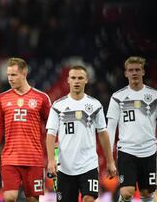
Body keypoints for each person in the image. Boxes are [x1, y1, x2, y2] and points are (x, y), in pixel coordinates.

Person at [46, 65, 117, 202]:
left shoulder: (95, 105)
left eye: (80, 78)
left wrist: (110, 161)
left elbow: (103, 134)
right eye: (73, 78)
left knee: (89, 199)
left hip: (88, 165)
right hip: (65, 167)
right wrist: (50, 160)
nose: (76, 81)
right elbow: (51, 134)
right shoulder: (58, 106)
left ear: (86, 80)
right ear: (68, 80)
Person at [0, 57, 52, 202]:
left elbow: (52, 129)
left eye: (14, 75)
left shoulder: (41, 98)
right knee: (9, 198)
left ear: (24, 73)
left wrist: (52, 158)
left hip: (33, 159)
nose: (10, 79)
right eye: (8, 75)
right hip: (10, 158)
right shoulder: (2, 98)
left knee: (32, 200)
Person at [106, 56, 157, 202]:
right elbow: (111, 129)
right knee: (127, 192)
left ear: (143, 72)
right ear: (125, 73)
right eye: (131, 70)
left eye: (137, 69)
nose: (134, 73)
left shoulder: (156, 97)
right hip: (127, 151)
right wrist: (109, 158)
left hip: (149, 152)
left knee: (147, 193)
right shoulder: (117, 97)